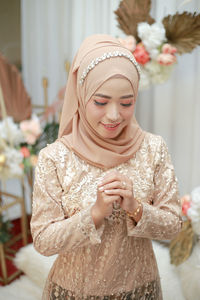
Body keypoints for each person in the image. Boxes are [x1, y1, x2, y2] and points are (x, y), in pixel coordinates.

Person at [31, 34, 182, 300]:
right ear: (81, 95)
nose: (114, 115)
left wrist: (135, 207)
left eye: (126, 103)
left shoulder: (153, 148)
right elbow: (43, 240)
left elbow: (172, 226)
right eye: (100, 102)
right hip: (73, 291)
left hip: (140, 290)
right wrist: (94, 214)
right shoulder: (55, 157)